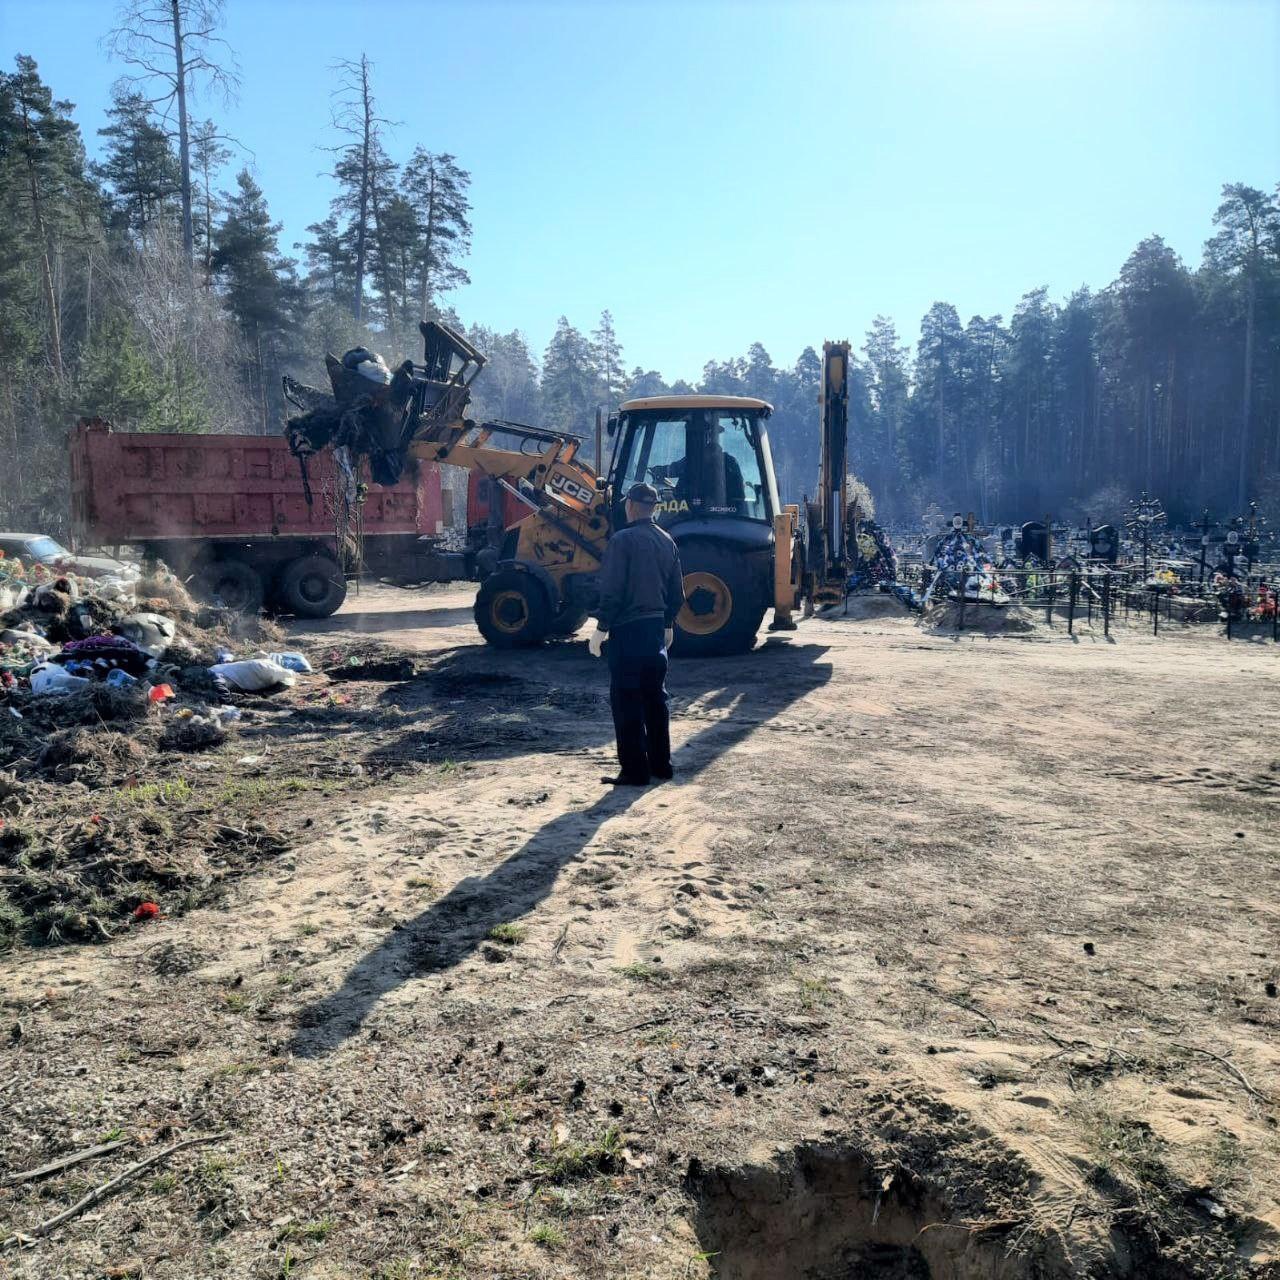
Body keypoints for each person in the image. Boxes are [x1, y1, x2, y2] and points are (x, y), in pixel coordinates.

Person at [588, 483, 685, 786]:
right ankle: (662, 765)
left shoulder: (622, 541)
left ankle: (634, 770)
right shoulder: (667, 541)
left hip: (628, 631)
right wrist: (668, 623)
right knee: (656, 700)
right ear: (654, 507)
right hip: (656, 631)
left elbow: (613, 592)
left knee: (627, 700)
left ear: (629, 505)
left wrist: (601, 629)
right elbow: (676, 593)